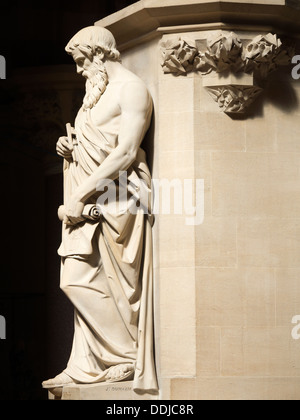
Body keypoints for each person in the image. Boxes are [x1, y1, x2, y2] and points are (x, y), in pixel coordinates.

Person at [42, 26, 158, 394]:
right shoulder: (95, 95)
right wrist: (69, 146)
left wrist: (81, 195)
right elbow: (94, 142)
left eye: (79, 61)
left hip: (117, 199)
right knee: (75, 278)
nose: (77, 70)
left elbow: (124, 153)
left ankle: (124, 357)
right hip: (90, 198)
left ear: (99, 53)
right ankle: (87, 362)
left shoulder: (132, 90)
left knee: (111, 284)